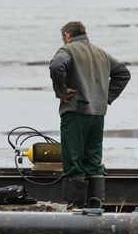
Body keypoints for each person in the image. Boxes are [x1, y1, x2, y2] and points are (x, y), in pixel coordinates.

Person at [49, 21, 130, 208]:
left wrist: (61, 91)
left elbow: (56, 67)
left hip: (76, 111)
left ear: (67, 35)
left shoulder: (68, 50)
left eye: (63, 38)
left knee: (73, 159)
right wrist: (106, 97)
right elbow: (123, 73)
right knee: (93, 160)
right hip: (98, 113)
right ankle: (95, 204)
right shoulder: (101, 53)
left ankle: (75, 205)